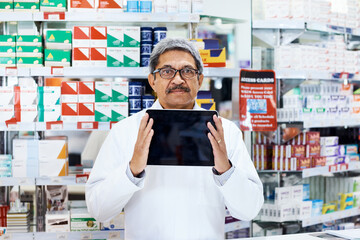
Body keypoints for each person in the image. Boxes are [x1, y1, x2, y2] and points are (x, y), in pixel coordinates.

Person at [85, 38, 263, 240]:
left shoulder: (225, 132)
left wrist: (225, 169)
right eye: (167, 71)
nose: (178, 79)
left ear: (200, 80)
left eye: (187, 71)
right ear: (153, 80)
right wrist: (132, 169)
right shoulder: (125, 131)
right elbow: (98, 210)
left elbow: (249, 210)